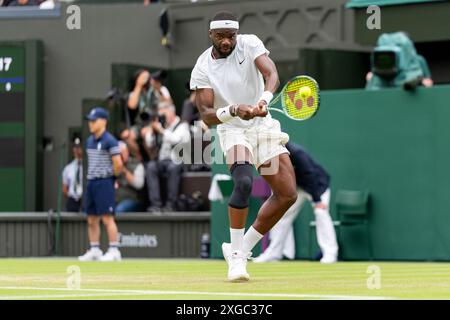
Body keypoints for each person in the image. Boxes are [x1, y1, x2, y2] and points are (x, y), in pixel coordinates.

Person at [190, 11, 297, 282]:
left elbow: (271, 73)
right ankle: (237, 259)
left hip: (263, 126)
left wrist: (263, 100)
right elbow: (206, 114)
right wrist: (236, 110)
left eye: (231, 36)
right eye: (221, 36)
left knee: (287, 194)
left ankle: (241, 248)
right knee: (245, 183)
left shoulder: (249, 44)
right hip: (232, 128)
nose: (227, 41)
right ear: (211, 35)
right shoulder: (202, 67)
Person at [253, 142, 339, 264]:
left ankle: (330, 254)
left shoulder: (297, 152)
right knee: (281, 216)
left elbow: (310, 174)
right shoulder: (270, 155)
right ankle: (273, 253)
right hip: (297, 187)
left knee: (321, 213)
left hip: (317, 185)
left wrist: (317, 200)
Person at [79, 107, 123, 262]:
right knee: (91, 219)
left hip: (105, 183)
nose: (91, 124)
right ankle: (95, 249)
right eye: (90, 121)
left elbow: (118, 164)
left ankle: (114, 250)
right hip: (91, 182)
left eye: (94, 120)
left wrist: (111, 178)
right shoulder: (89, 141)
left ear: (103, 121)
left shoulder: (110, 140)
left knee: (107, 218)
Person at [144, 102, 190, 212]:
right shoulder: (162, 127)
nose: (161, 118)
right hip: (162, 161)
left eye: (163, 115)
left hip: (178, 160)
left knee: (173, 167)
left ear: (171, 113)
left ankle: (171, 204)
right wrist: (152, 131)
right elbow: (149, 143)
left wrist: (161, 130)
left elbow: (174, 139)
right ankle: (156, 205)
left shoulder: (182, 125)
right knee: (151, 167)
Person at [115, 141, 146, 213]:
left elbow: (139, 185)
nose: (120, 156)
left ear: (127, 152)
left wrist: (123, 169)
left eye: (122, 153)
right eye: (118, 154)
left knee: (119, 210)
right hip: (114, 199)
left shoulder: (136, 165)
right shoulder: (111, 164)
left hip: (132, 200)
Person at [62, 137, 83, 212]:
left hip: (85, 199)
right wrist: (72, 196)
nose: (77, 149)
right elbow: (64, 188)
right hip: (72, 201)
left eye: (79, 147)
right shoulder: (68, 168)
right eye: (75, 147)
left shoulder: (88, 166)